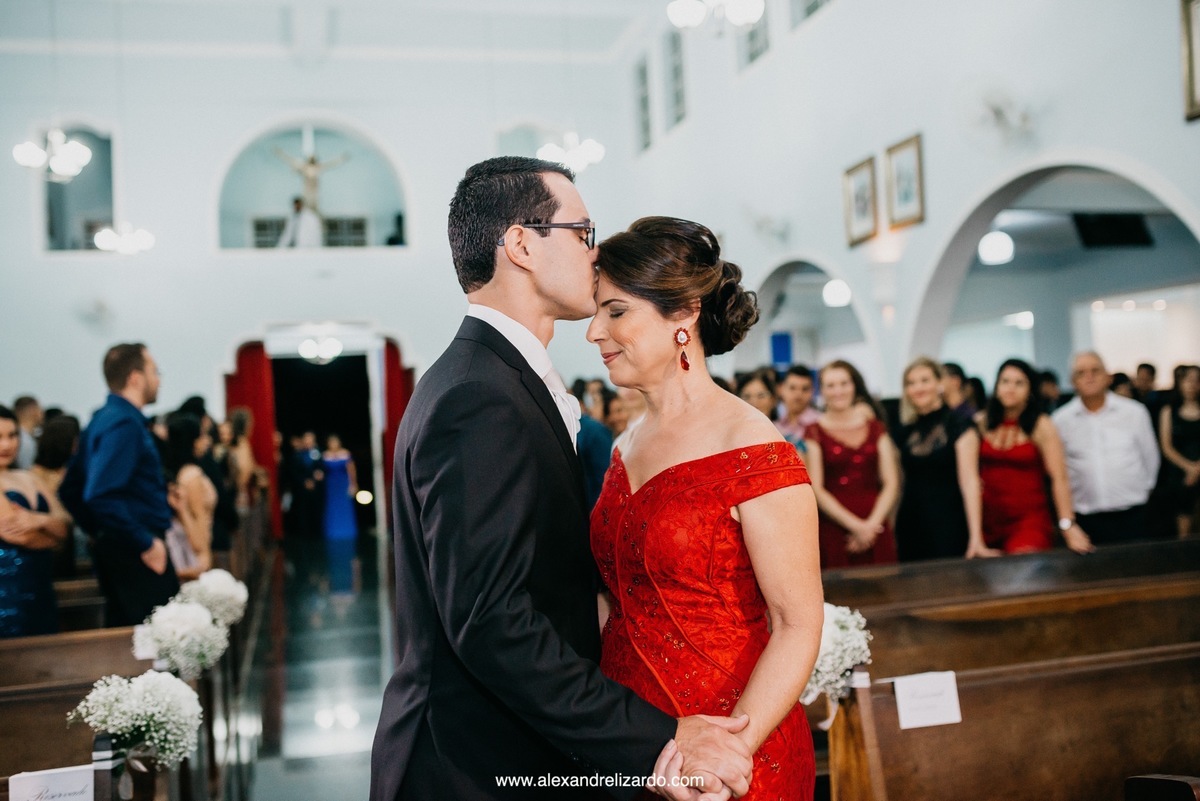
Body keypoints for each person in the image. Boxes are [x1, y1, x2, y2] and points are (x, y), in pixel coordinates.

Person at [370, 158, 754, 801]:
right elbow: (491, 622)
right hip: (471, 766)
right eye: (582, 231)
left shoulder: (490, 378)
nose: (595, 250)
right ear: (521, 244)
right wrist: (657, 740)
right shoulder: (479, 397)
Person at [588, 216, 823, 801]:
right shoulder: (624, 445)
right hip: (629, 739)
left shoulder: (752, 449)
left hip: (732, 740)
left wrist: (727, 752)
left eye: (616, 312)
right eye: (598, 312)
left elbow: (798, 623)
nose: (595, 331)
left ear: (684, 315)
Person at [59, 344, 179, 626]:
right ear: (135, 378)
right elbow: (99, 494)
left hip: (121, 543)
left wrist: (100, 531)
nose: (159, 379)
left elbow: (71, 490)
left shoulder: (101, 419)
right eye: (155, 371)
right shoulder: (124, 423)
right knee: (159, 646)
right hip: (136, 551)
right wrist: (144, 542)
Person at [978, 359, 1092, 555]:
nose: (1010, 388)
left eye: (1019, 383)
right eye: (1005, 381)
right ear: (996, 387)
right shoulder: (983, 422)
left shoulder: (1042, 425)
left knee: (1023, 574)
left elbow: (1060, 477)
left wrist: (1067, 524)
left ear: (1030, 390)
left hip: (1028, 521)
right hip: (988, 521)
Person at [895, 358, 998, 561]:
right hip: (911, 522)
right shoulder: (904, 431)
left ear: (940, 384)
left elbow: (970, 483)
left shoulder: (959, 425)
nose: (918, 388)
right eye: (911, 383)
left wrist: (976, 537)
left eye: (925, 380)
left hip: (949, 521)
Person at [1052, 352, 1160, 545]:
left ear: (1108, 377)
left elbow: (1150, 459)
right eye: (1081, 373)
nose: (1089, 377)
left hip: (1133, 515)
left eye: (1095, 370)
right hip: (1085, 519)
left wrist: (1144, 490)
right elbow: (1059, 470)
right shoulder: (1061, 420)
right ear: (1072, 381)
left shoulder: (1134, 412)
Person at [804, 360, 899, 568]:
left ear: (854, 385)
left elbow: (891, 482)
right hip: (836, 524)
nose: (838, 391)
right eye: (831, 385)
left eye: (844, 383)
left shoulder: (875, 427)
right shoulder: (814, 431)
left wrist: (871, 525)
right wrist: (856, 526)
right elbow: (816, 488)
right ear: (822, 391)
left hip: (876, 521)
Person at [0, 405, 70, 637]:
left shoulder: (29, 476)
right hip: (8, 594)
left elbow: (66, 524)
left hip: (42, 588)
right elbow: (19, 535)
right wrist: (54, 536)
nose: (8, 444)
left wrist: (37, 519)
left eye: (12, 435)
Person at [161, 413, 216, 581]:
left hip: (190, 545)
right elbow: (198, 518)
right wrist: (204, 554)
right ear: (192, 441)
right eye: (201, 436)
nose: (206, 440)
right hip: (196, 547)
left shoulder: (181, 472)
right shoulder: (192, 475)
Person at [1158, 364, 1200, 539]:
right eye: (1188, 380)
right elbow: (1166, 447)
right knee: (1183, 512)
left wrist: (1197, 468)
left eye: (1197, 381)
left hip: (1197, 466)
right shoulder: (1169, 411)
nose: (1192, 385)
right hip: (1179, 471)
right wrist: (1189, 468)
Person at [321, 434, 358, 541]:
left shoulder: (345, 454)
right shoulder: (325, 455)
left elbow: (351, 470)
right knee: (332, 507)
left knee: (344, 507)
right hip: (331, 485)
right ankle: (332, 531)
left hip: (343, 484)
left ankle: (347, 531)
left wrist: (353, 484)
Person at [775, 365, 820, 452]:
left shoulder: (821, 425)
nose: (798, 394)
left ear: (812, 391)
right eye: (792, 388)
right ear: (781, 389)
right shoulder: (776, 427)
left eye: (805, 389)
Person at [12, 396, 42, 469]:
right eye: (40, 409)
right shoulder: (25, 442)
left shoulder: (21, 436)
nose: (42, 414)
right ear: (33, 410)